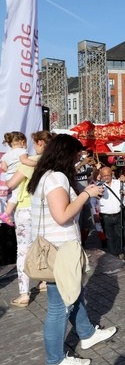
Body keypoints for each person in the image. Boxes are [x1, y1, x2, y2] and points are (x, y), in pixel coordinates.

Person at [27, 134, 117, 365]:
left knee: (73, 295)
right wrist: (87, 195)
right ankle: (55, 360)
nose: (77, 160)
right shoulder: (55, 178)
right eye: (76, 156)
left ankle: (86, 334)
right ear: (65, 154)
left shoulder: (46, 176)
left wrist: (82, 189)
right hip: (60, 250)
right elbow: (63, 215)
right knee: (60, 307)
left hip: (58, 247)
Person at [6, 131, 52, 307]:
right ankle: (44, 281)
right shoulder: (51, 163)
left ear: (40, 143)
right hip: (44, 208)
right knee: (40, 246)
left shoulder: (30, 161)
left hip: (25, 208)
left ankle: (24, 294)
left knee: (23, 250)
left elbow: (11, 183)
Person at [0, 131, 38, 225]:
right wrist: (37, 164)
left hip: (8, 176)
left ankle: (8, 213)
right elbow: (24, 161)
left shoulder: (5, 155)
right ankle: (6, 214)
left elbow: (4, 168)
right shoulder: (22, 151)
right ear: (22, 141)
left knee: (13, 195)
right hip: (16, 175)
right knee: (16, 195)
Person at [97, 166, 125, 258]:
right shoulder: (98, 186)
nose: (106, 177)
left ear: (111, 174)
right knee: (109, 237)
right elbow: (93, 201)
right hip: (105, 215)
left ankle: (119, 251)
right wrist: (94, 213)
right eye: (104, 175)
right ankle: (113, 255)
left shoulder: (118, 183)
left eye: (108, 175)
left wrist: (124, 181)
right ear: (101, 176)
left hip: (118, 213)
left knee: (121, 234)